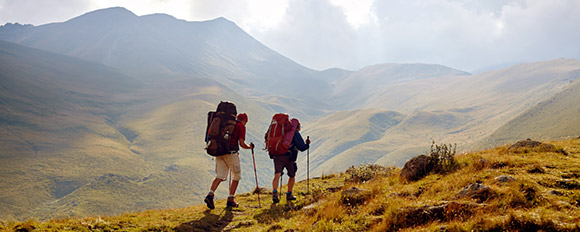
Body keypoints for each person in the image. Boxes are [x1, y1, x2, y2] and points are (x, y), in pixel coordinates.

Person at [204, 113, 254, 209]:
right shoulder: (240, 126)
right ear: (245, 120)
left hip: (219, 152)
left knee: (220, 176)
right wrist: (250, 147)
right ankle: (230, 199)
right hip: (231, 153)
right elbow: (242, 144)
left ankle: (210, 195)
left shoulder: (226, 124)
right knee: (237, 176)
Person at [272, 119, 310, 203]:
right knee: (292, 175)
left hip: (277, 155)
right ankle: (289, 194)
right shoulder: (294, 133)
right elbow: (302, 147)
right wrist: (307, 144)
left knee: (277, 174)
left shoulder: (280, 131)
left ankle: (274, 193)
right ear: (297, 126)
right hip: (289, 157)